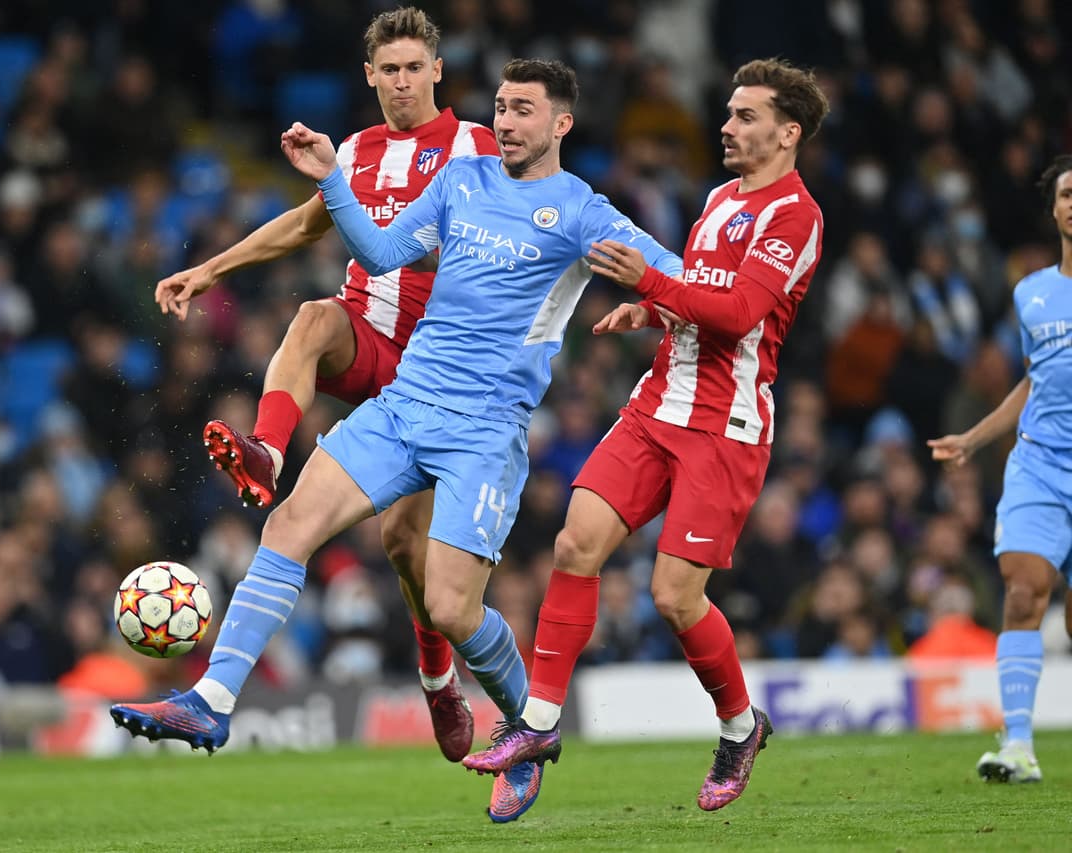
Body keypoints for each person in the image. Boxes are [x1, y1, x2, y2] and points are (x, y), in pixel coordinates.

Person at [111, 58, 682, 823]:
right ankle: (211, 700)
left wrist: (656, 303)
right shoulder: (461, 182)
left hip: (485, 430)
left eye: (523, 111)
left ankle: (526, 729)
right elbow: (380, 254)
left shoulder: (583, 211)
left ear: (561, 125)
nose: (507, 122)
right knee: (289, 523)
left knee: (450, 605)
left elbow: (674, 271)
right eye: (503, 107)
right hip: (405, 403)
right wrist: (330, 176)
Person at [461, 58, 830, 813]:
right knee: (575, 543)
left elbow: (737, 315)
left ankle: (738, 726)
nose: (726, 125)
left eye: (746, 116)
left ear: (788, 133)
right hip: (658, 402)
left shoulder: (794, 215)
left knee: (673, 595)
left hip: (724, 426)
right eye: (728, 112)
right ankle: (537, 723)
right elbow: (702, 291)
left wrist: (648, 283)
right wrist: (653, 312)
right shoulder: (723, 197)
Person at [153, 7, 498, 764]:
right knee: (313, 316)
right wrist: (209, 269)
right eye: (389, 70)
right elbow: (307, 225)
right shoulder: (359, 150)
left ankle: (438, 674)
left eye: (415, 68)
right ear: (369, 76)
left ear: (437, 71)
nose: (403, 82)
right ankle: (268, 455)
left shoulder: (478, 146)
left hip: (439, 372)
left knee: (406, 547)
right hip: (366, 339)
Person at [927, 154, 1072, 784]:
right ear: (1055, 209)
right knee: (1021, 593)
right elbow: (1033, 381)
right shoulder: (1032, 292)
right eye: (1067, 193)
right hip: (1040, 464)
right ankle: (1017, 746)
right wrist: (975, 439)